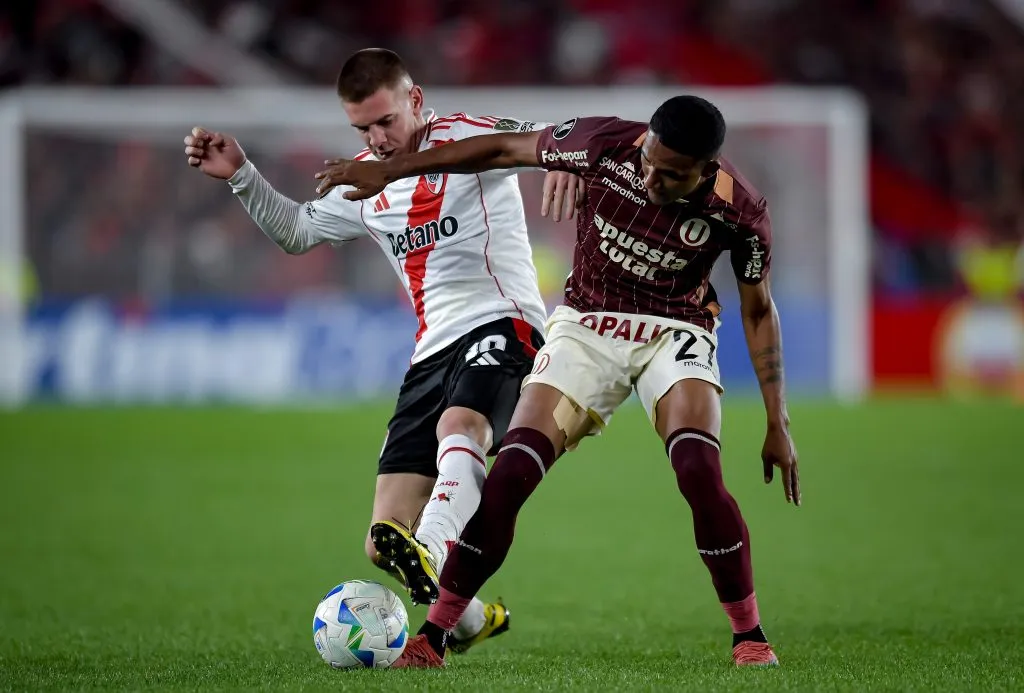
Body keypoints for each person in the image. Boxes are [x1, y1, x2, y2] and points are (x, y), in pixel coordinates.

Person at [313, 95, 801, 668]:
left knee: (697, 469)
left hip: (674, 328)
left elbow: (759, 309)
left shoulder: (740, 212)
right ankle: (434, 637)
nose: (652, 178)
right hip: (586, 326)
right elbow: (500, 147)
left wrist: (777, 421)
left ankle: (749, 634)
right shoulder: (604, 144)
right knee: (512, 472)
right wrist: (391, 170)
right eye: (648, 160)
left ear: (705, 169)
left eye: (672, 175)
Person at [182, 48, 582, 653]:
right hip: (431, 353)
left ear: (415, 100)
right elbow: (297, 232)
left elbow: (549, 140)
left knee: (463, 423)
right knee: (381, 539)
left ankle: (441, 539)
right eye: (363, 128)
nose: (377, 138)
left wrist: (566, 161)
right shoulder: (365, 181)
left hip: (506, 324)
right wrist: (241, 174)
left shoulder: (469, 138)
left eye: (386, 121)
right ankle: (472, 619)